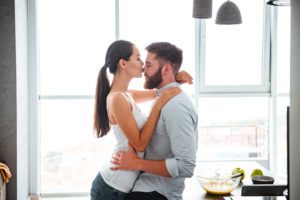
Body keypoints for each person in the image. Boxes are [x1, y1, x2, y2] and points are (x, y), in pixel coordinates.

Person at [90, 40, 192, 200]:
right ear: (123, 63)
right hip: (111, 188)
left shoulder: (125, 95)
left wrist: (173, 77)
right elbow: (140, 144)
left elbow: (158, 93)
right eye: (137, 58)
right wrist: (157, 107)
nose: (143, 64)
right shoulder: (117, 99)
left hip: (121, 186)